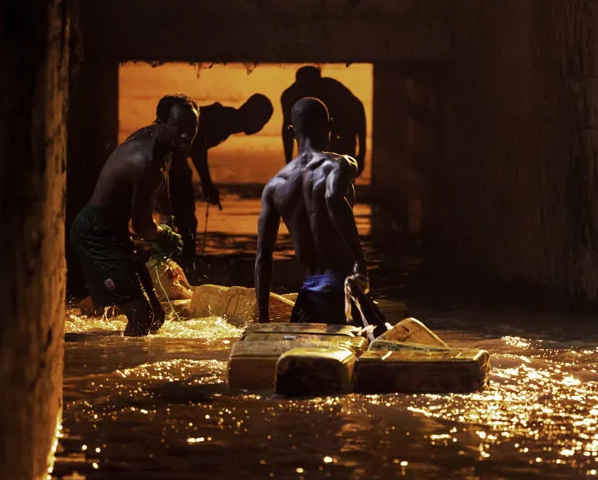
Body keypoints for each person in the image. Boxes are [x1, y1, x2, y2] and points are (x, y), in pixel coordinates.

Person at [70, 94, 199, 336]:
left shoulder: (160, 141)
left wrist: (167, 218)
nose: (186, 135)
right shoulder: (146, 161)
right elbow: (141, 226)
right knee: (141, 316)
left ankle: (113, 343)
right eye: (179, 126)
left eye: (192, 127)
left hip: (114, 228)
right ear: (161, 121)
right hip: (96, 232)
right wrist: (164, 236)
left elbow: (161, 180)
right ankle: (110, 358)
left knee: (156, 317)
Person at [256, 97, 386, 335]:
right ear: (330, 126)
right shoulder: (341, 164)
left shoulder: (274, 185)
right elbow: (333, 198)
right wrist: (360, 261)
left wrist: (263, 318)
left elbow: (263, 255)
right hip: (341, 287)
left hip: (309, 293)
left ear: (291, 131)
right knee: (383, 343)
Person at [167, 94, 273, 266]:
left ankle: (181, 260)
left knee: (181, 218)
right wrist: (207, 184)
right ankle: (183, 263)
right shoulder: (224, 121)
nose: (260, 127)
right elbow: (198, 146)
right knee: (185, 219)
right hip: (169, 156)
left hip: (172, 157)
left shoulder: (225, 119)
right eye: (262, 121)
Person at [281, 66, 367, 176]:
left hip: (343, 125)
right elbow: (287, 130)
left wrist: (362, 153)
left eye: (314, 85)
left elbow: (357, 110)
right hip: (329, 128)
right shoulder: (290, 96)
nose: (312, 89)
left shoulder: (332, 90)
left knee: (339, 171)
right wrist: (288, 163)